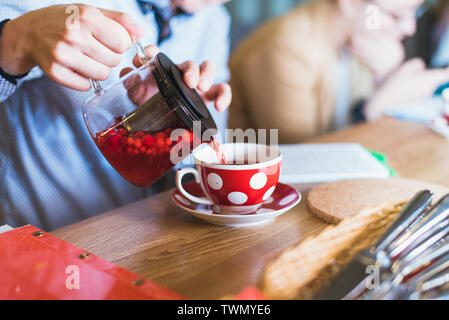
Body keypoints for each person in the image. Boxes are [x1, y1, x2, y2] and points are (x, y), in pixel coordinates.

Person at [0, 0, 232, 230]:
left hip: (150, 241)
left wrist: (173, 120)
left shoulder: (213, 21)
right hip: (48, 240)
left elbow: (202, 171)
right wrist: (18, 40)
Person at [228, 0, 449, 143]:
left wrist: (384, 79)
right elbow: (304, 160)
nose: (410, 27)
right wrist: (374, 108)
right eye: (395, 15)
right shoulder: (285, 49)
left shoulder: (360, 39)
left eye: (415, 11)